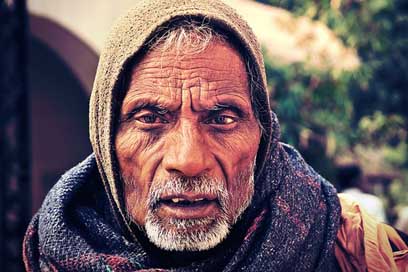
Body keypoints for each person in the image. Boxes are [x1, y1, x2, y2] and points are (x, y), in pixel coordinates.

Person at [23, 0, 408, 271]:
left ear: (263, 137)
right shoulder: (57, 250)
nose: (188, 160)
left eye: (222, 119)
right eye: (149, 119)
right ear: (107, 140)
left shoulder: (356, 251)